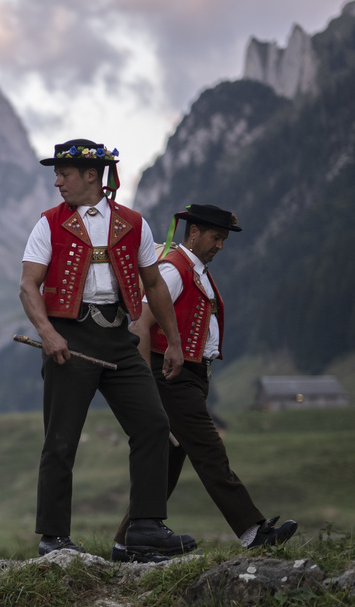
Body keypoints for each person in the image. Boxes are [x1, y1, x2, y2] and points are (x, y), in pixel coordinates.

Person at [20, 139, 197, 559]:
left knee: (153, 424)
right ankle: (53, 538)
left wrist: (172, 342)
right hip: (69, 338)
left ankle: (145, 528)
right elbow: (29, 286)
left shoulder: (134, 223)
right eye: (57, 173)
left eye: (64, 173)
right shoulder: (48, 223)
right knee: (61, 439)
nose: (57, 180)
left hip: (120, 339)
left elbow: (153, 285)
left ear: (91, 176)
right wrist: (48, 333)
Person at [112, 204, 297, 556]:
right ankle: (252, 531)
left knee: (165, 466)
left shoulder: (195, 270)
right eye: (216, 237)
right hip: (171, 379)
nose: (220, 246)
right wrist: (147, 389)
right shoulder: (173, 270)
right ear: (193, 233)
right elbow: (139, 326)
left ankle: (125, 543)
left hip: (190, 378)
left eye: (224, 239)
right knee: (211, 452)